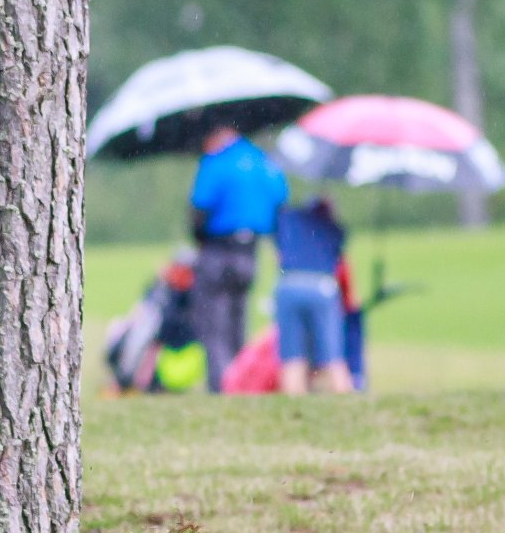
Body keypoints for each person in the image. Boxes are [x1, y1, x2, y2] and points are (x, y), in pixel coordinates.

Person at [187, 123, 288, 392]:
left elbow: (199, 208)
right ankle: (241, 383)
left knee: (215, 325)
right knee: (238, 321)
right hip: (249, 253)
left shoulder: (215, 162)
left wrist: (198, 240)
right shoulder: (261, 161)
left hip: (217, 250)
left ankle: (221, 387)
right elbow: (280, 200)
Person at [271, 196, 355, 395]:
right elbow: (338, 262)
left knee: (292, 357)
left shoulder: (286, 219)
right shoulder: (334, 228)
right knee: (332, 356)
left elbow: (278, 252)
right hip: (322, 287)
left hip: (288, 285)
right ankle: (344, 396)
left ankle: (294, 405)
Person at [103, 249, 203, 395]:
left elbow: (170, 326)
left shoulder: (192, 296)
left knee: (145, 337)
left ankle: (130, 383)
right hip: (161, 348)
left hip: (175, 355)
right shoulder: (164, 287)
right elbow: (147, 304)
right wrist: (161, 283)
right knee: (123, 328)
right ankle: (124, 382)